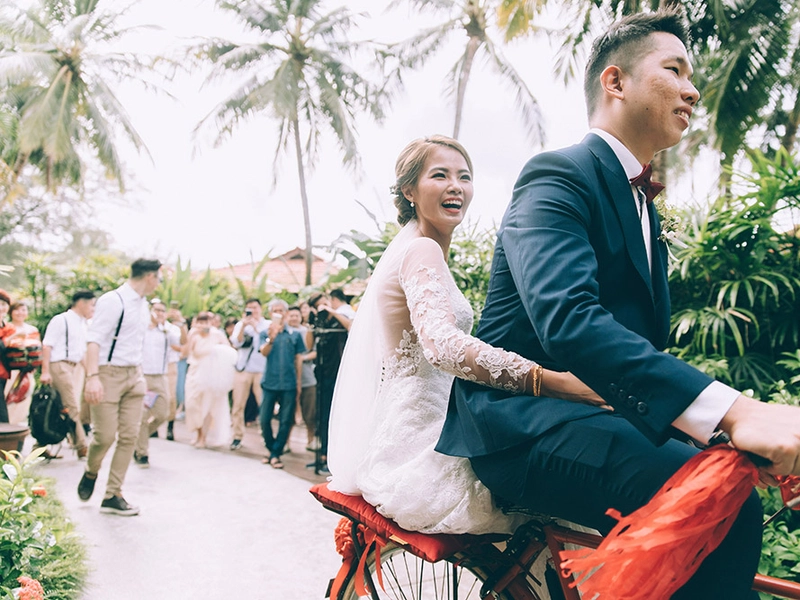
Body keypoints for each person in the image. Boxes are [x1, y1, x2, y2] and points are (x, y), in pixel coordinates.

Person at [436, 11, 800, 598]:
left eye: (693, 76)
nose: (692, 88)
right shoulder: (558, 175)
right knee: (719, 512)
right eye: (674, 69)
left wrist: (725, 436)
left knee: (729, 481)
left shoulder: (644, 206)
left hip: (601, 418)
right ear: (615, 82)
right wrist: (736, 412)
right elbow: (569, 321)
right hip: (522, 429)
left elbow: (637, 352)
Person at [327, 135, 601, 534]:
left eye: (464, 176)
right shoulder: (421, 250)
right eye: (440, 175)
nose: (456, 185)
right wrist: (555, 383)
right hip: (423, 440)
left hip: (436, 421)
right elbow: (444, 348)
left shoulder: (417, 250)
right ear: (410, 190)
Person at [77, 258, 162, 516]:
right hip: (108, 374)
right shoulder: (113, 300)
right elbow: (94, 341)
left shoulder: (144, 305)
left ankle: (113, 494)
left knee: (129, 436)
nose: (159, 282)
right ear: (149, 277)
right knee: (104, 437)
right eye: (158, 277)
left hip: (135, 376)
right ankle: (91, 472)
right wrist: (93, 377)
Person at [40, 290, 96, 457]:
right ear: (82, 303)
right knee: (72, 405)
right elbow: (47, 345)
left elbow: (81, 352)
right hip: (59, 366)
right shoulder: (61, 319)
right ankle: (81, 446)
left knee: (57, 407)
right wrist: (45, 371)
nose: (93, 309)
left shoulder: (83, 324)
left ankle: (40, 446)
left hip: (73, 367)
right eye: (92, 305)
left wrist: (90, 374)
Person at [133, 299, 181, 467]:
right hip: (143, 377)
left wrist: (179, 323)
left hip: (160, 377)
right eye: (156, 310)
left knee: (162, 414)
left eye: (162, 310)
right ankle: (141, 452)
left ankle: (140, 439)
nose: (159, 313)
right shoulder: (141, 329)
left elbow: (180, 347)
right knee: (143, 415)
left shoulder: (167, 331)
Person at [259, 299, 305, 469]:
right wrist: (271, 338)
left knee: (285, 420)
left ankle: (275, 454)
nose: (278, 313)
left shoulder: (294, 334)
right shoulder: (265, 333)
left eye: (281, 310)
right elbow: (263, 353)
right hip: (269, 381)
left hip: (289, 383)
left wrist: (299, 383)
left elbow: (298, 359)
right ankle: (272, 450)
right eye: (275, 310)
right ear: (271, 314)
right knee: (264, 419)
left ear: (285, 313)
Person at [184, 312, 235, 448]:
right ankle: (197, 431)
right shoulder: (193, 335)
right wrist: (191, 336)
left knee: (207, 405)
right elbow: (185, 353)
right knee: (192, 404)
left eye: (205, 322)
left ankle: (203, 436)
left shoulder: (217, 335)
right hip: (195, 373)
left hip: (212, 375)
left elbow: (229, 351)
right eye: (200, 322)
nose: (203, 325)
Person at [229, 298, 269, 451]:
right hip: (243, 369)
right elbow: (236, 343)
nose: (253, 310)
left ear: (260, 309)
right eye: (249, 308)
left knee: (263, 404)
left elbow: (265, 343)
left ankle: (265, 435)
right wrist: (244, 326)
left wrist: (256, 328)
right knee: (238, 404)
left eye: (255, 307)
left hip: (261, 370)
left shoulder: (267, 324)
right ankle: (237, 436)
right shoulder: (241, 324)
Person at [4, 302, 41, 426]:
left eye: (23, 310)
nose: (20, 313)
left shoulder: (32, 330)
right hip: (10, 371)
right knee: (7, 398)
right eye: (17, 310)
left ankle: (17, 425)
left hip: (27, 371)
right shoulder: (7, 328)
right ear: (11, 312)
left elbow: (38, 349)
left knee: (24, 399)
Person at [288, 305, 317, 450]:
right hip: (288, 378)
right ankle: (286, 442)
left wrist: (302, 358)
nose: (294, 318)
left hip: (307, 376)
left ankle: (310, 439)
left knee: (309, 411)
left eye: (296, 315)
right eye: (291, 315)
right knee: (288, 413)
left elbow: (315, 351)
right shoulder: (284, 332)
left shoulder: (307, 331)